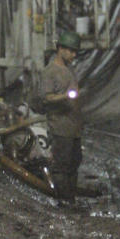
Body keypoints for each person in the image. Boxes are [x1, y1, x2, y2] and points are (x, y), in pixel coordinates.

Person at [38, 27, 83, 205]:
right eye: (71, 51)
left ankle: (71, 199)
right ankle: (63, 201)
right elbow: (46, 98)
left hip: (73, 128)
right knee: (62, 165)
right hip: (60, 127)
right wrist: (65, 96)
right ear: (60, 49)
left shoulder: (69, 70)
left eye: (75, 51)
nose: (73, 55)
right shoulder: (50, 72)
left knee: (74, 163)